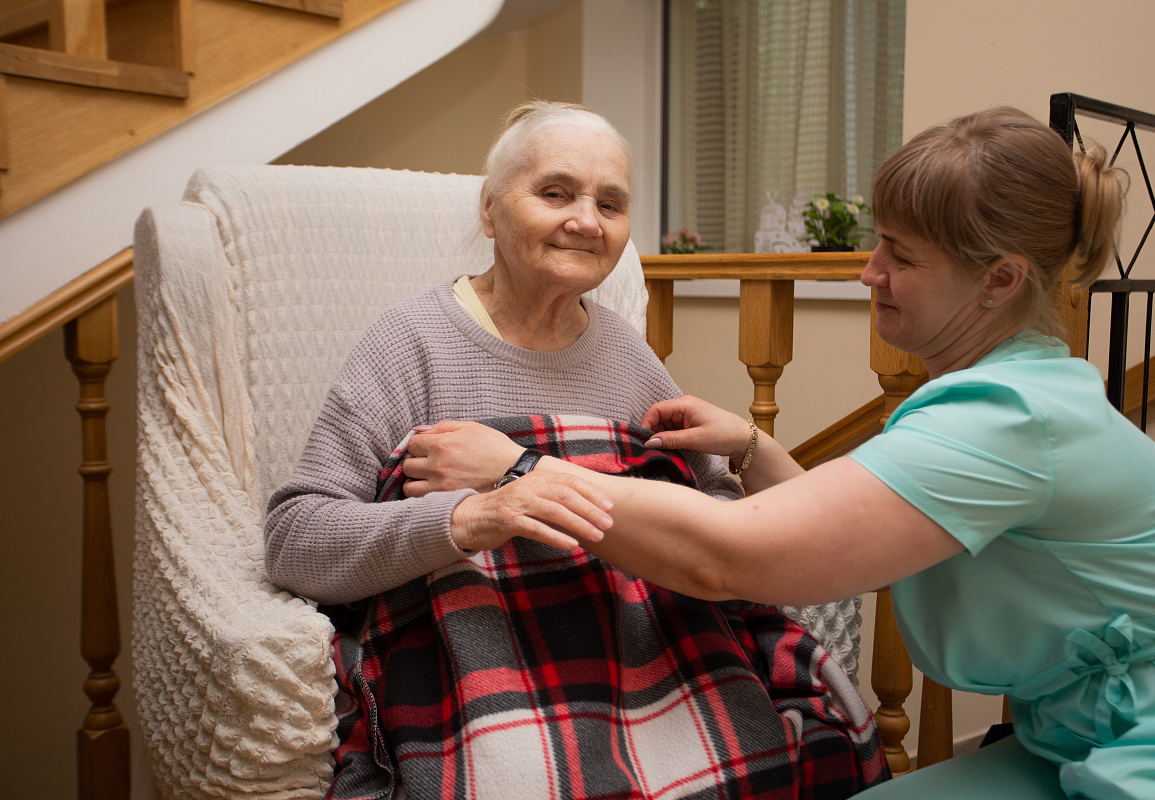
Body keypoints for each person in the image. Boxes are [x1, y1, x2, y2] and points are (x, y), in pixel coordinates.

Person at [403, 107, 1155, 800]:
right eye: (878, 243)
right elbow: (866, 530)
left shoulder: (1008, 420)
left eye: (900, 256)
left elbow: (730, 557)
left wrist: (523, 470)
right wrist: (751, 444)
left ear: (999, 280)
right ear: (491, 211)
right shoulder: (1016, 389)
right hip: (1078, 731)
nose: (869, 272)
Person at [265, 101, 886, 799]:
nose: (587, 221)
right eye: (555, 193)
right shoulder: (409, 343)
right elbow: (294, 538)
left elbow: (723, 528)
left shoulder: (628, 355)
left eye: (610, 204)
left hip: (649, 664)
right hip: (487, 677)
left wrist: (733, 452)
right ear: (491, 209)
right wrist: (466, 520)